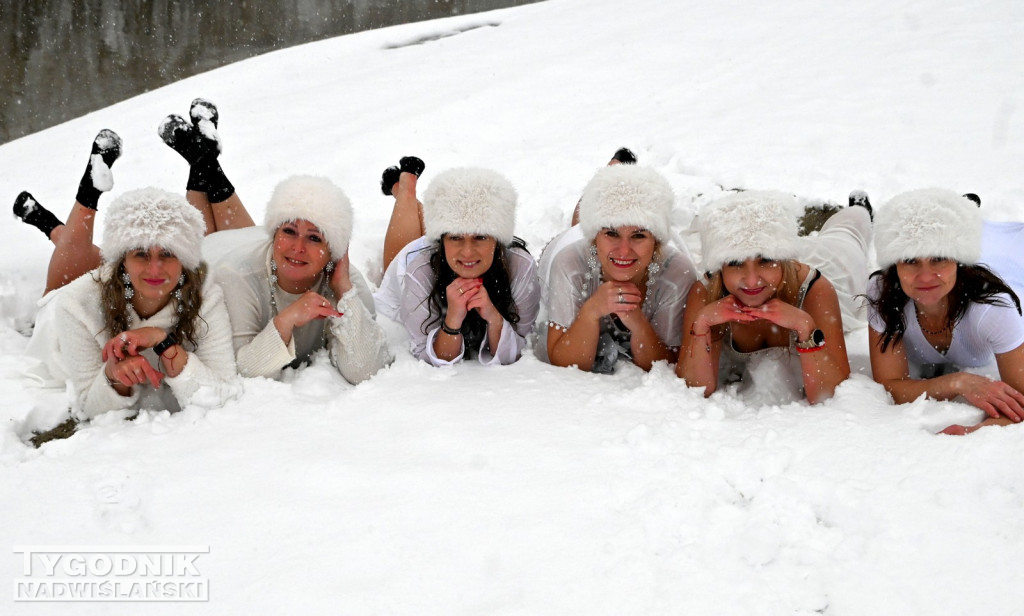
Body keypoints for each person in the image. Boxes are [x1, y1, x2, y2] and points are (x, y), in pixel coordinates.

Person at [158, 98, 392, 383]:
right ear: (274, 234)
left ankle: (203, 160)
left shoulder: (348, 285)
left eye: (314, 238)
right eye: (288, 231)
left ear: (334, 249)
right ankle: (204, 161)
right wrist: (287, 319)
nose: (298, 247)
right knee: (206, 238)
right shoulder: (235, 277)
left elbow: (366, 370)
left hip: (245, 244)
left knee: (254, 242)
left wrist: (343, 290)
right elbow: (240, 370)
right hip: (213, 256)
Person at [19, 186, 238, 439]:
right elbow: (89, 404)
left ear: (184, 259)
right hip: (59, 322)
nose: (154, 269)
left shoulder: (205, 295)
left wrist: (162, 341)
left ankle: (52, 226)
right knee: (63, 276)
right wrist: (113, 376)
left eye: (167, 253)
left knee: (80, 254)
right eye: (141, 254)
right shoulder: (75, 304)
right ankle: (51, 224)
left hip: (113, 278)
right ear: (123, 259)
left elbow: (222, 393)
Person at [866, 188, 1024, 434]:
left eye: (939, 258)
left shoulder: (994, 309)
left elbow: (1020, 400)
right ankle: (963, 211)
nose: (925, 276)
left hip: (1013, 274)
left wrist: (976, 431)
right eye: (910, 260)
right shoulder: (883, 293)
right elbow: (891, 386)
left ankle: (968, 210)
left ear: (958, 262)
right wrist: (957, 382)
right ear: (894, 265)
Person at [678, 190, 859, 404]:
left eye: (765, 260)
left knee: (846, 236)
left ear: (781, 260)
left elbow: (829, 393)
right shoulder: (706, 292)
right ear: (720, 267)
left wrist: (805, 327)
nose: (752, 280)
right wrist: (701, 325)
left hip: (832, 262)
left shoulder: (815, 289)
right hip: (782, 265)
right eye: (736, 263)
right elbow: (695, 388)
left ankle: (858, 209)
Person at [374, 162, 540, 366]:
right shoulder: (417, 270)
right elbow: (428, 354)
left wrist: (493, 317)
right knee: (401, 250)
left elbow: (519, 345)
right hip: (418, 259)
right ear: (442, 240)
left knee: (450, 226)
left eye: (480, 236)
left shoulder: (520, 266)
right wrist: (452, 319)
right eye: (455, 237)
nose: (468, 252)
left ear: (497, 240)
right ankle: (405, 191)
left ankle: (405, 192)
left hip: (442, 252)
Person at [541, 164, 697, 373]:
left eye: (639, 236)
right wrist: (590, 311)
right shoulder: (569, 263)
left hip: (651, 254)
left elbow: (667, 365)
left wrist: (638, 323)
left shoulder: (676, 274)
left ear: (656, 241)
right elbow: (563, 361)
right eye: (611, 234)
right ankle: (609, 175)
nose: (624, 251)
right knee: (577, 226)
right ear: (595, 237)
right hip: (573, 246)